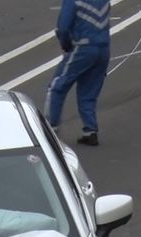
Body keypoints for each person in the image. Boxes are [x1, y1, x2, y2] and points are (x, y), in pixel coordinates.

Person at [45, 0, 112, 146]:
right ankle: (90, 130)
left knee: (57, 86)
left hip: (82, 48)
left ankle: (51, 128)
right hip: (103, 48)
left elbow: (63, 27)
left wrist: (66, 45)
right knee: (88, 92)